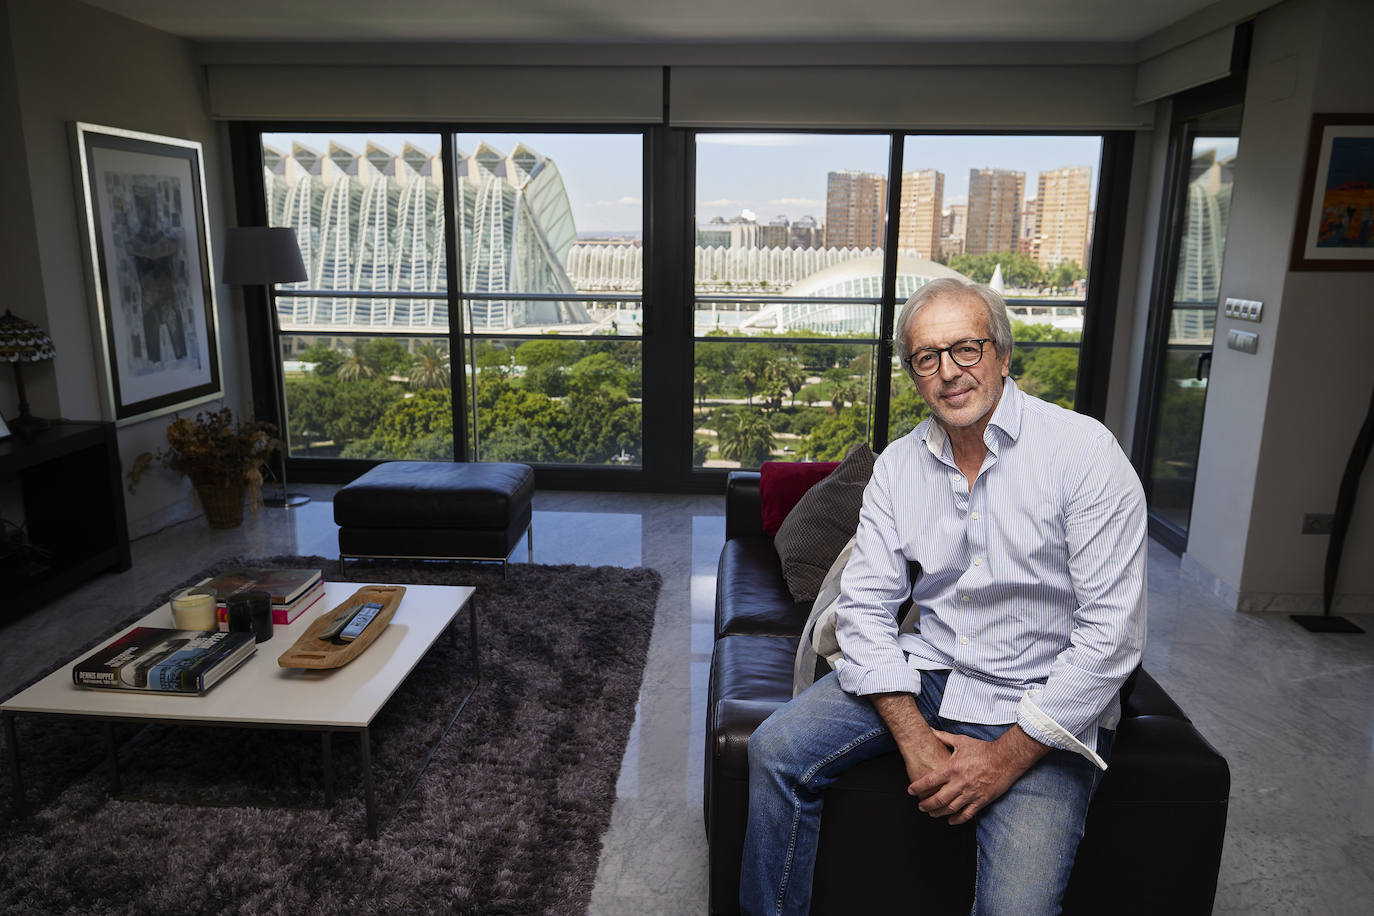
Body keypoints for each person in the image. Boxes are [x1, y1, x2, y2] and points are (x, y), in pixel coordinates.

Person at [740, 277, 1146, 916]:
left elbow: (1110, 641)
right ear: (913, 373)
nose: (948, 372)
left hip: (1039, 699)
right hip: (932, 670)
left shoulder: (1085, 455)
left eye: (966, 349)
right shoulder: (899, 467)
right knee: (773, 750)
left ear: (1003, 356)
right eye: (927, 358)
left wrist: (1005, 759)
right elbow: (864, 610)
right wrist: (913, 735)